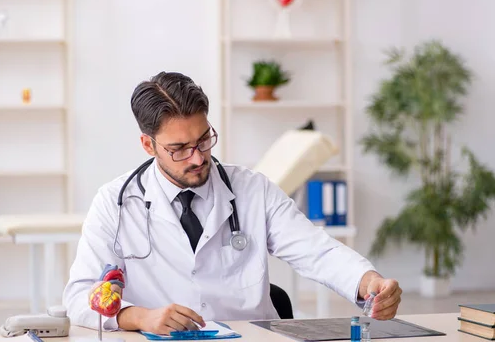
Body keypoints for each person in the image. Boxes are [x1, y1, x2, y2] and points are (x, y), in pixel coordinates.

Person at [63, 72, 402, 335]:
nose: (197, 157)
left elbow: (317, 251)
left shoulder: (252, 189)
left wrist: (367, 280)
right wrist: (139, 317)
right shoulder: (116, 203)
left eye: (204, 139)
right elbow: (79, 297)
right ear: (148, 145)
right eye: (179, 148)